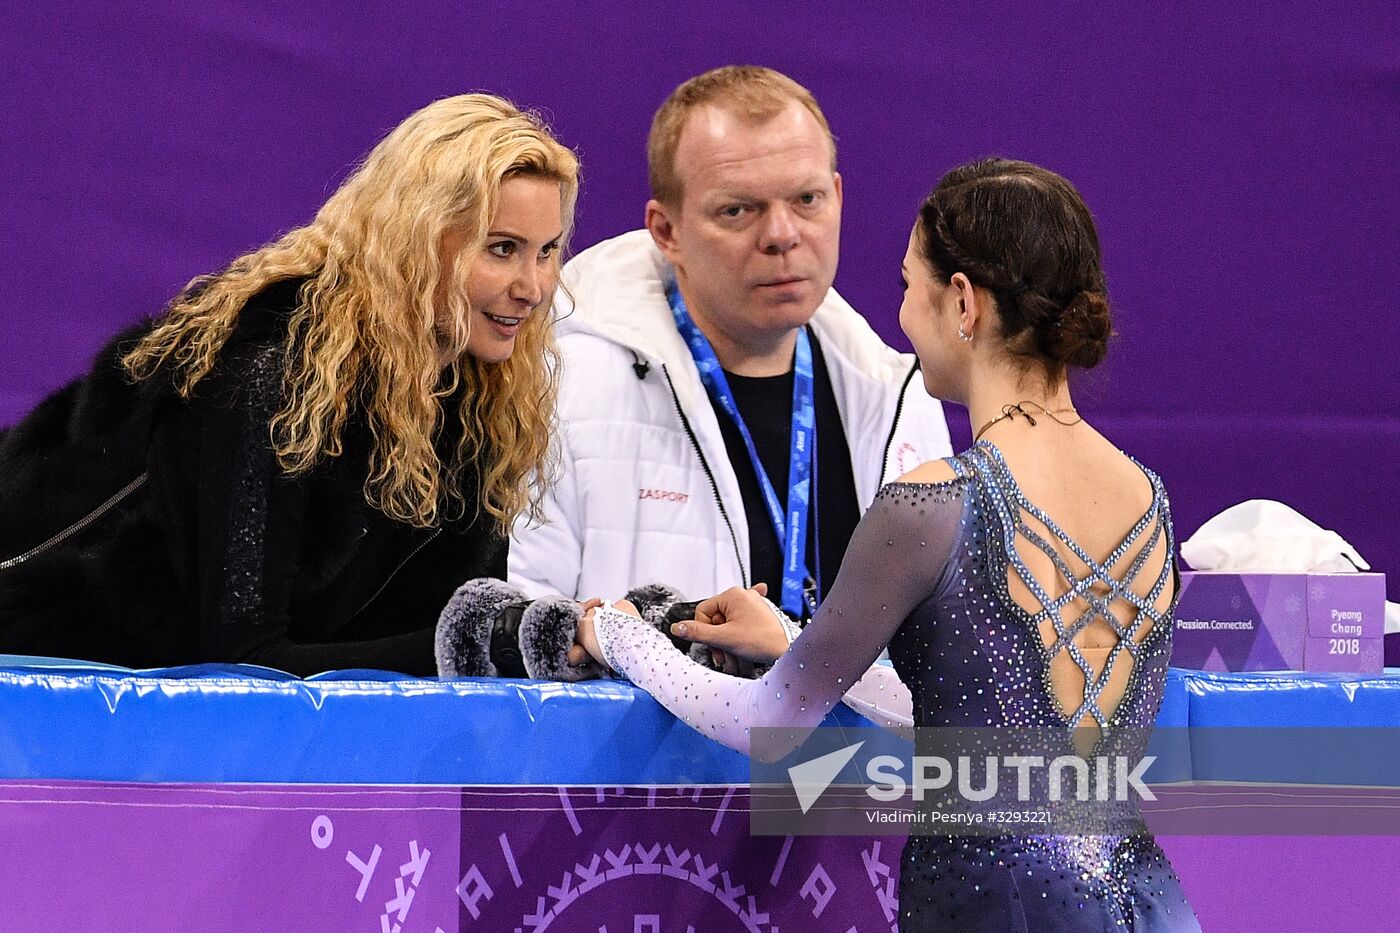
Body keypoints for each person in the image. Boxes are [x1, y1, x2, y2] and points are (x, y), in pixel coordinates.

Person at [577, 158, 1201, 930]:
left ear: (964, 302)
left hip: (1001, 910)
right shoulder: (1150, 496)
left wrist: (618, 632)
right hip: (1150, 901)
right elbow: (998, 719)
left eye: (909, 286)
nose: (902, 315)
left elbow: (766, 726)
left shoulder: (932, 502)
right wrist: (795, 641)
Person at [0, 94, 578, 676]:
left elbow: (430, 628)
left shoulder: (471, 402)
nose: (533, 286)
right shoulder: (272, 374)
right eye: (502, 249)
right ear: (421, 240)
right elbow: (244, 665)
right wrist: (493, 642)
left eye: (547, 252)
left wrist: (555, 634)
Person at [508, 66, 951, 625]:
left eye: (807, 199)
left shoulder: (901, 400)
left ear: (838, 196)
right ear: (666, 231)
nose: (781, 235)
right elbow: (524, 643)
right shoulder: (559, 389)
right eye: (738, 210)